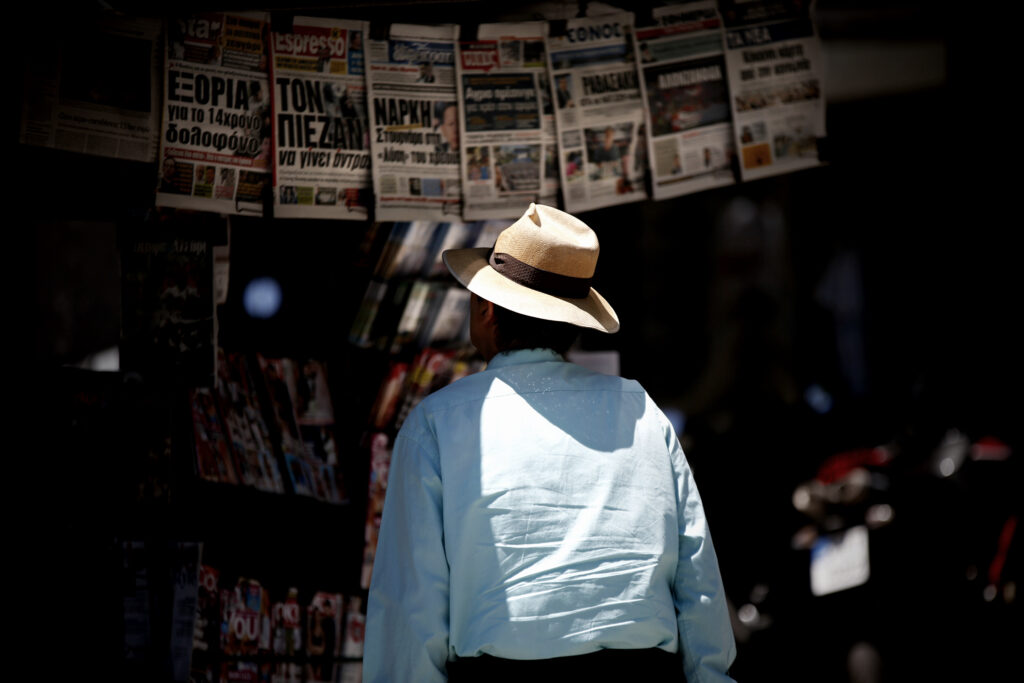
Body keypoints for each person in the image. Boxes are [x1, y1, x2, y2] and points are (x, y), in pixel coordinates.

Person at [365, 203, 736, 682]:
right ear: (574, 322)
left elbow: (412, 605)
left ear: (487, 308)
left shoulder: (437, 423)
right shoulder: (642, 413)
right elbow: (698, 582)